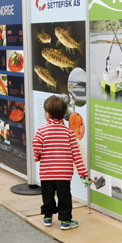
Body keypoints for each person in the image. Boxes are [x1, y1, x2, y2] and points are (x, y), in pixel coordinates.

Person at [32, 95, 90, 230]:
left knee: (48, 196)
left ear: (47, 114)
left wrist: (37, 157)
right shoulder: (69, 133)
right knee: (64, 197)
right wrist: (83, 173)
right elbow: (76, 154)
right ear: (64, 114)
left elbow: (36, 146)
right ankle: (65, 221)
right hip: (64, 174)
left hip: (46, 173)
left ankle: (47, 218)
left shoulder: (41, 131)